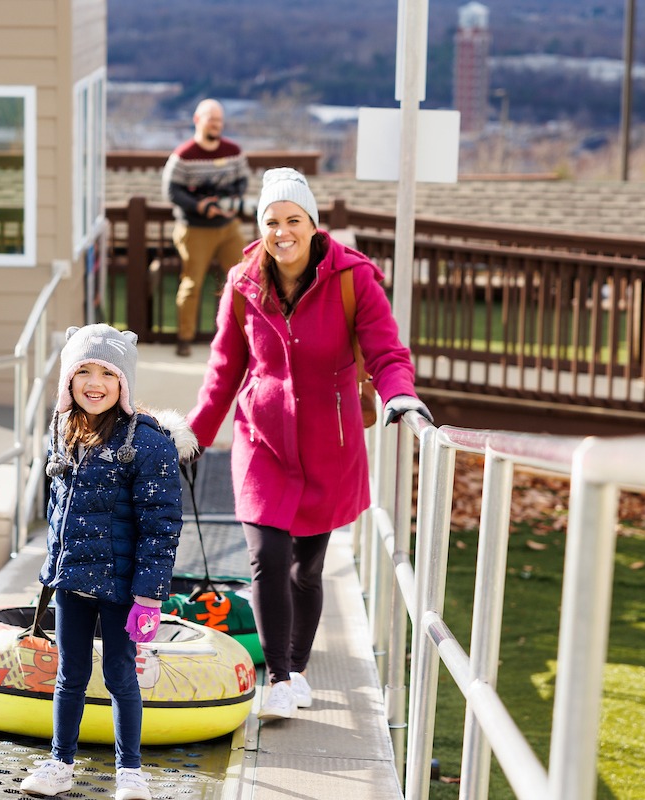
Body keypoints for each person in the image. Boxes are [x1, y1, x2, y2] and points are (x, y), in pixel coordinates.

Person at [184, 168, 431, 721]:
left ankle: (294, 668)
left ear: (313, 225)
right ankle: (277, 678)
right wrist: (193, 435)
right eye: (271, 221)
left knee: (306, 569)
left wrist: (401, 397)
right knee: (266, 556)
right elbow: (224, 369)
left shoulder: (353, 279)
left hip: (329, 442)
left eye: (293, 219)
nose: (282, 231)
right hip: (261, 437)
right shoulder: (243, 281)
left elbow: (388, 353)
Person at [21, 324, 196, 800]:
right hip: (74, 579)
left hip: (122, 585)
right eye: (83, 371)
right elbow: (60, 510)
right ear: (68, 381)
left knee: (120, 674)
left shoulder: (147, 443)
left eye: (106, 372)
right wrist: (52, 572)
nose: (94, 383)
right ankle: (60, 761)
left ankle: (130, 770)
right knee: (69, 673)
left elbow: (161, 525)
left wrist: (148, 596)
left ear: (124, 383)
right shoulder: (63, 430)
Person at [163, 99, 250, 357]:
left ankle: (245, 337)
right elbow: (172, 191)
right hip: (195, 228)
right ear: (197, 120)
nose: (216, 125)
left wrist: (227, 200)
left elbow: (242, 180)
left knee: (245, 279)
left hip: (228, 225)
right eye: (211, 119)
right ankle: (185, 338)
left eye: (219, 120)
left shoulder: (233, 150)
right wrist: (201, 206)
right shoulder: (183, 154)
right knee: (192, 283)